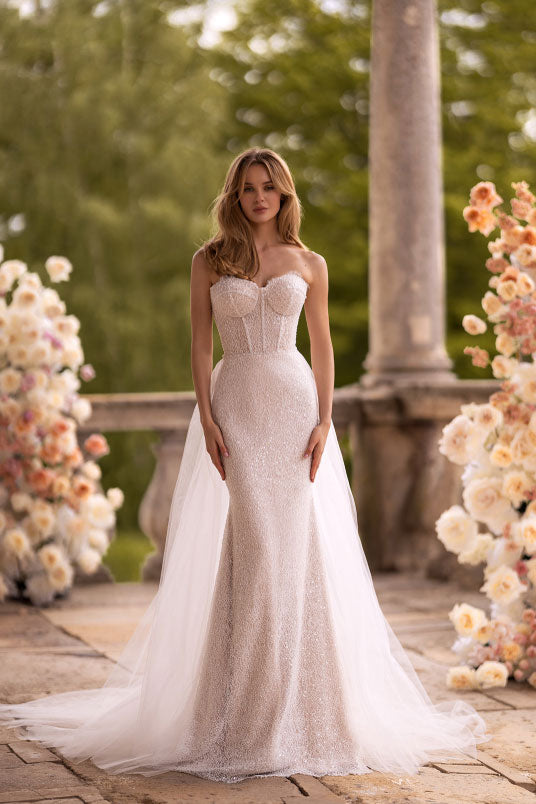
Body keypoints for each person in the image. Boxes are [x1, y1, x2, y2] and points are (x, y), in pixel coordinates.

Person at [0, 147, 490, 783]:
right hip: (237, 408)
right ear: (235, 195)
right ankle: (240, 714)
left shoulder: (308, 263)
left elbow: (322, 345)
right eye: (250, 188)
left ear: (284, 196)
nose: (260, 197)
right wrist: (207, 417)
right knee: (255, 545)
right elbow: (200, 344)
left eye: (270, 188)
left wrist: (324, 420)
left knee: (291, 550)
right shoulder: (209, 259)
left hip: (293, 408)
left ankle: (306, 713)